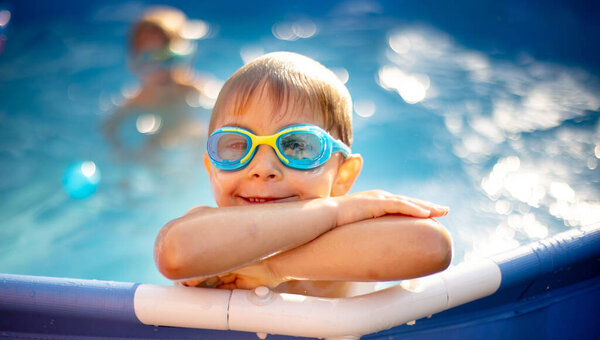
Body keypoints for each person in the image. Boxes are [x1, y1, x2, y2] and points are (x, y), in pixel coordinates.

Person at [154, 52, 452, 298]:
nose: (263, 168)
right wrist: (337, 210)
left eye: (296, 146)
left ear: (343, 176)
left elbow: (431, 245)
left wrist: (273, 268)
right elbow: (174, 253)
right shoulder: (206, 229)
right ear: (211, 168)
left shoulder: (349, 232)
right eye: (237, 145)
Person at [103, 6, 209, 160]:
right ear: (136, 63)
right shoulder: (138, 98)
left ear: (181, 57)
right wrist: (120, 150)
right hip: (157, 140)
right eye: (149, 61)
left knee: (198, 138)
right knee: (149, 150)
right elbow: (109, 126)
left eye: (166, 60)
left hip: (189, 134)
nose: (159, 71)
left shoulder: (192, 88)